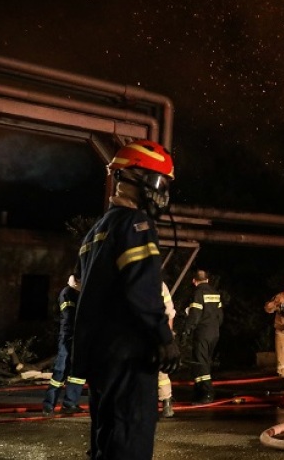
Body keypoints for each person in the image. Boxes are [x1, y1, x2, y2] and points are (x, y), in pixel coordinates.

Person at [71, 139, 181, 460]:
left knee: (106, 441)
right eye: (158, 182)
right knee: (129, 442)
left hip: (102, 359)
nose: (160, 192)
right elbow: (141, 287)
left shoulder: (96, 232)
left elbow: (85, 292)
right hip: (130, 356)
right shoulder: (135, 224)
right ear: (130, 177)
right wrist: (163, 337)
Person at [42, 273, 86, 416]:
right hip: (68, 336)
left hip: (78, 337)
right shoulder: (67, 293)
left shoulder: (78, 293)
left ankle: (70, 404)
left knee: (77, 372)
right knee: (61, 370)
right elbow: (69, 316)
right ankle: (49, 405)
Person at [182, 269, 223, 403]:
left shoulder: (198, 293)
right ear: (207, 280)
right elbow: (220, 315)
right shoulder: (215, 293)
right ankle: (199, 391)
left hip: (202, 332)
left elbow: (195, 315)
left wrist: (186, 330)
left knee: (200, 361)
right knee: (205, 361)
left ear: (194, 281)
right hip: (214, 332)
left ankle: (207, 393)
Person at [158, 282, 176, 418]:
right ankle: (167, 403)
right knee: (161, 370)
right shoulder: (159, 283)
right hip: (157, 331)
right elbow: (169, 312)